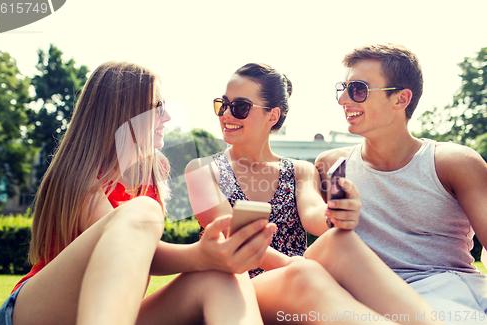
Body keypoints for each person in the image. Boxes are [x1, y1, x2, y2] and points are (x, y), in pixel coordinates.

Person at [0, 61, 277, 325]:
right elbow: (136, 245)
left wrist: (212, 258)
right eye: (156, 106)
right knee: (143, 210)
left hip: (109, 312)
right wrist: (199, 254)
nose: (167, 116)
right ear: (123, 113)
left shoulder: (151, 177)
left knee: (223, 277)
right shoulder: (77, 177)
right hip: (32, 312)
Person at [186, 63, 442, 324]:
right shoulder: (201, 171)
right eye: (223, 104)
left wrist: (337, 214)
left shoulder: (299, 171)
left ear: (272, 116)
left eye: (240, 107)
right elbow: (237, 237)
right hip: (232, 287)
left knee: (339, 240)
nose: (227, 115)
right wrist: (296, 266)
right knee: (303, 276)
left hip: (297, 275)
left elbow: (314, 215)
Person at [316, 43, 487, 325]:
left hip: (448, 292)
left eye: (358, 89)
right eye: (342, 89)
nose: (343, 100)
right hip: (368, 299)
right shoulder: (331, 165)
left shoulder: (453, 162)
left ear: (401, 99)